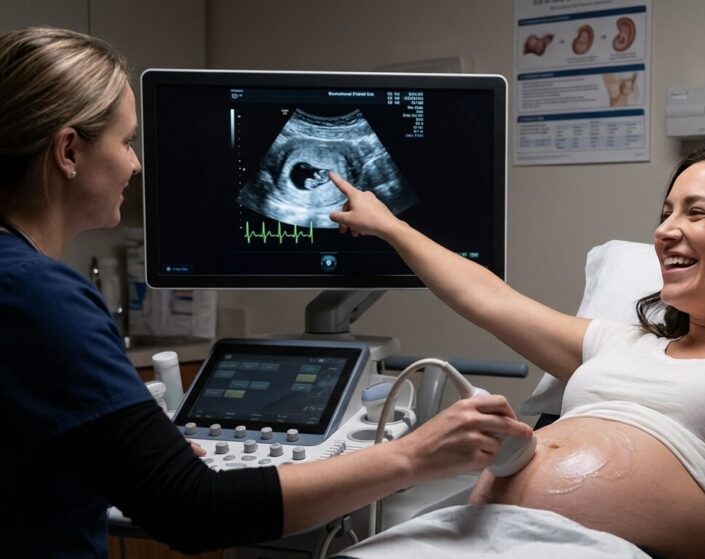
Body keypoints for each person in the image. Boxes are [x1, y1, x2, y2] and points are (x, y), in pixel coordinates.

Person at [0, 26, 532, 558]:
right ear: (69, 151)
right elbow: (194, 509)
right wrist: (414, 456)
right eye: (126, 141)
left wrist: (138, 458)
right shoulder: (42, 298)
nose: (136, 164)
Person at [329, 145, 705, 559]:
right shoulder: (618, 342)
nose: (665, 231)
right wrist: (390, 226)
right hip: (470, 534)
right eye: (665, 213)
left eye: (696, 213)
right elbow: (488, 297)